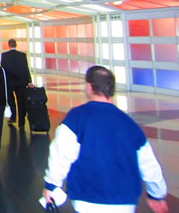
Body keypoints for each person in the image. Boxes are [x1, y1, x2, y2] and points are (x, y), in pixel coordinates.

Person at [42, 66, 168, 213]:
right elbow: (149, 165)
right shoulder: (129, 124)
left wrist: (51, 185)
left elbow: (61, 155)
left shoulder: (76, 118)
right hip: (125, 202)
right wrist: (156, 195)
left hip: (88, 199)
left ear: (89, 86)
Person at [1, 38, 33, 127]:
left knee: (11, 100)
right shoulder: (22, 55)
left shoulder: (4, 55)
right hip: (21, 82)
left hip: (9, 82)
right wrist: (29, 81)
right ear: (16, 45)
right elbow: (26, 68)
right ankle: (21, 121)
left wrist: (2, 81)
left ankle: (13, 116)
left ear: (9, 45)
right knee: (21, 101)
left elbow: (3, 69)